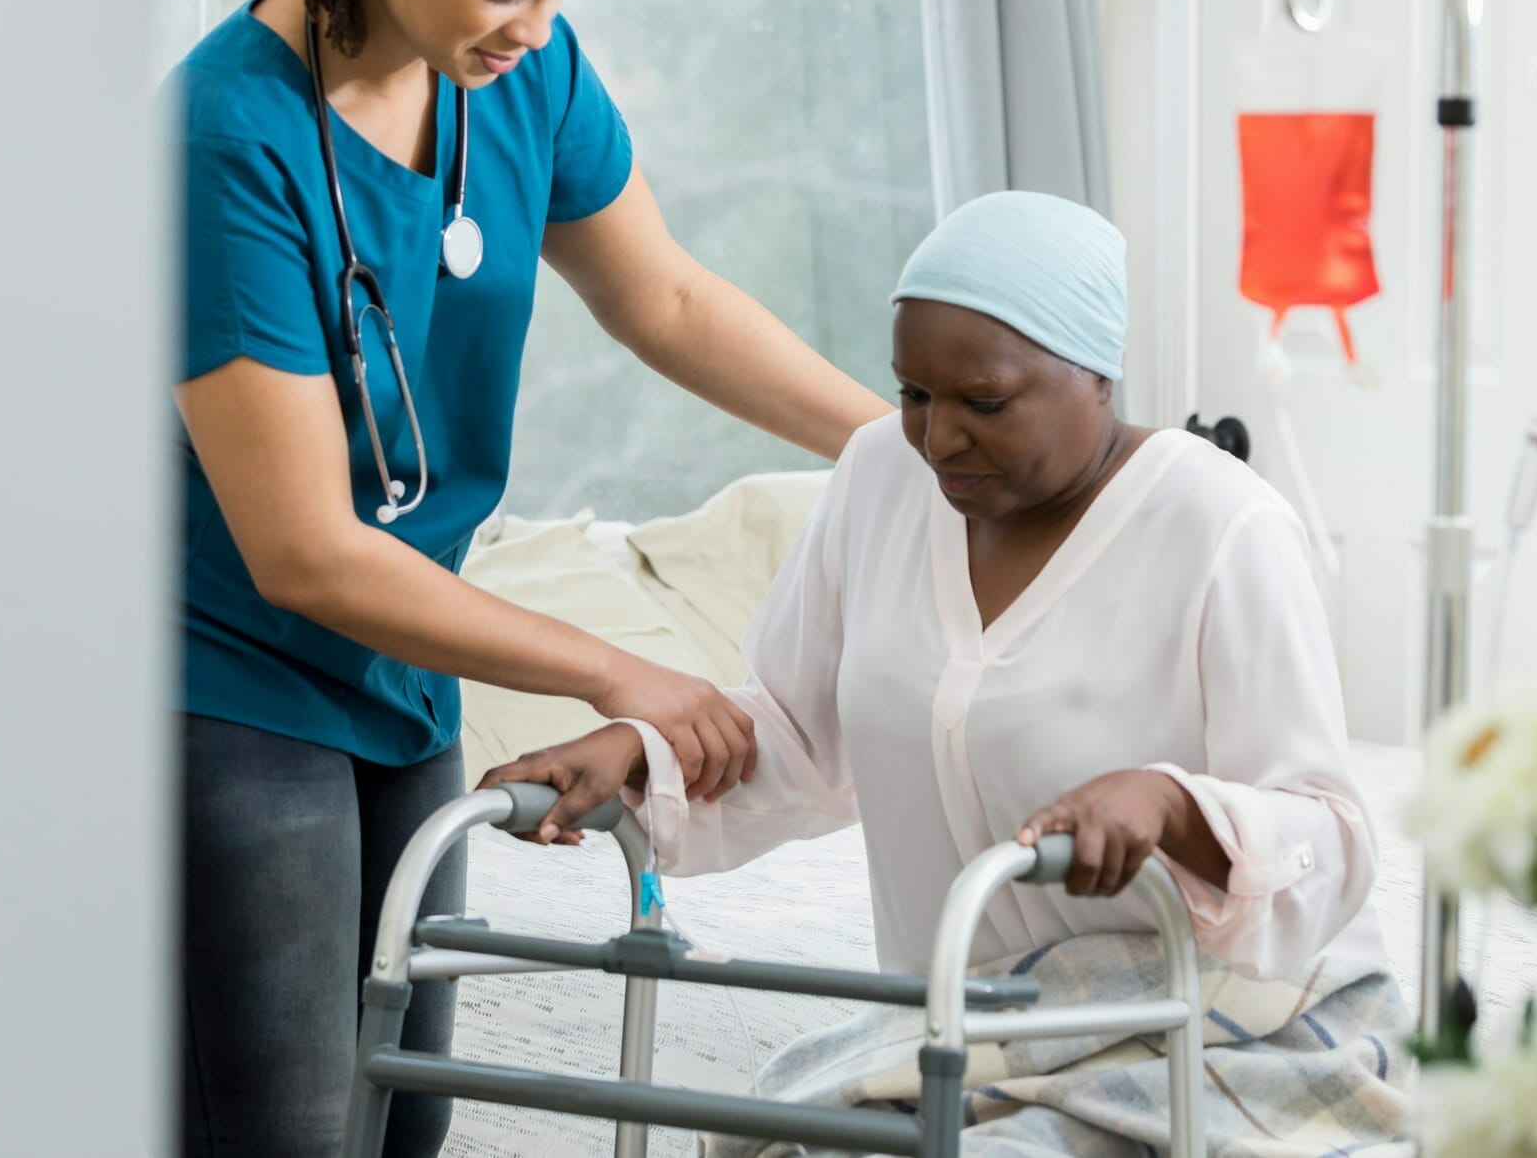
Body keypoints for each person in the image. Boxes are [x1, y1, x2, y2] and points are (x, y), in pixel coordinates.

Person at [168, 0, 890, 1153]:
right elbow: (305, 548)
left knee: (409, 1119)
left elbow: (664, 298)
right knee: (287, 1125)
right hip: (227, 677)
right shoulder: (222, 137)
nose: (536, 26)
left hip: (405, 679)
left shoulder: (519, 73)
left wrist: (903, 444)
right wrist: (613, 666)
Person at [485, 188, 1393, 991]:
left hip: (1207, 1021)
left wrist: (1166, 806)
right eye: (915, 393)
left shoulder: (1222, 525)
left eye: (984, 404)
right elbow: (796, 735)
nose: (938, 438)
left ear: (1097, 374)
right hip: (962, 1032)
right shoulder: (881, 471)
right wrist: (641, 750)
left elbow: (1330, 834)